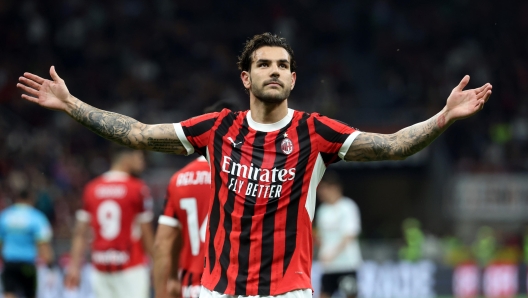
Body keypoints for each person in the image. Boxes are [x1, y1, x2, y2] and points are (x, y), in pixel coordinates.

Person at [17, 32, 492, 298]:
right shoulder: (217, 128)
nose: (275, 71)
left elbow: (391, 147)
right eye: (264, 64)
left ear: (293, 77)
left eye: (283, 65)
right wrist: (73, 104)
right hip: (217, 290)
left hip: (286, 291)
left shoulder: (316, 131)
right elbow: (139, 134)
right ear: (246, 77)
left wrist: (444, 116)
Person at [153, 101, 240, 298]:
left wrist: (168, 284)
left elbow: (162, 244)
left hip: (192, 287)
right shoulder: (245, 174)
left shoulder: (179, 179)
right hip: (232, 286)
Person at [63, 148, 155, 298]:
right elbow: (146, 232)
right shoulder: (138, 189)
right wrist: (157, 263)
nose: (142, 162)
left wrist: (74, 266)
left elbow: (81, 231)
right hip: (131, 267)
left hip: (100, 267)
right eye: (140, 157)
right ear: (127, 158)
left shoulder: (91, 188)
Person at [0, 189, 54, 298]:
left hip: (9, 263)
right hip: (27, 265)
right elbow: (43, 243)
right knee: (29, 294)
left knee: (9, 293)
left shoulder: (5, 216)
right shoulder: (37, 217)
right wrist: (50, 265)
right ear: (31, 200)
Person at [315, 171, 362, 298]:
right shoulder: (322, 210)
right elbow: (320, 236)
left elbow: (349, 235)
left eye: (324, 188)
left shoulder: (347, 207)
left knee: (350, 294)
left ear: (334, 188)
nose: (321, 192)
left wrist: (332, 253)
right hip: (329, 267)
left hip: (347, 264)